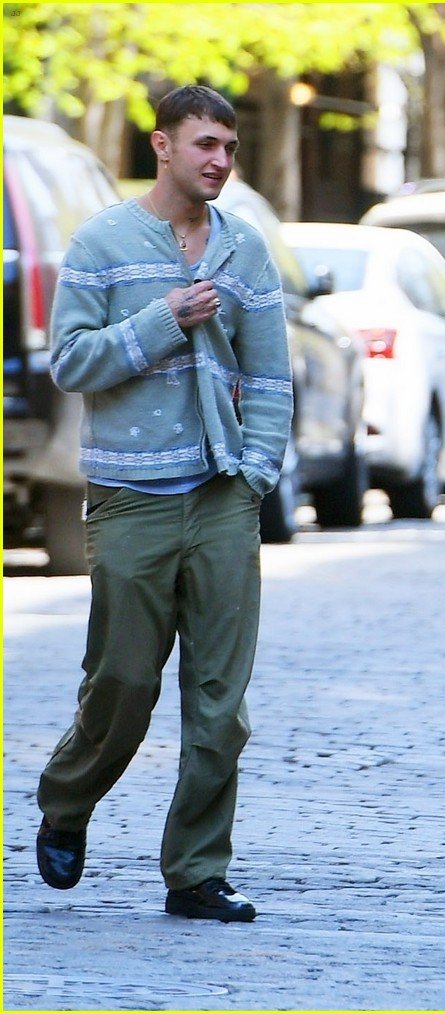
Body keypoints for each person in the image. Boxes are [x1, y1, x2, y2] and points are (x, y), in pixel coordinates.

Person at [34, 85, 292, 923]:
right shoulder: (103, 243)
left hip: (221, 497)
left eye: (229, 147)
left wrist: (254, 473)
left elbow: (271, 376)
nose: (219, 160)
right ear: (162, 146)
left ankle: (196, 872)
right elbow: (69, 364)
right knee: (123, 686)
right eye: (205, 144)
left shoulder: (246, 251)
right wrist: (163, 320)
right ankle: (67, 802)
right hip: (130, 499)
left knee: (221, 705)